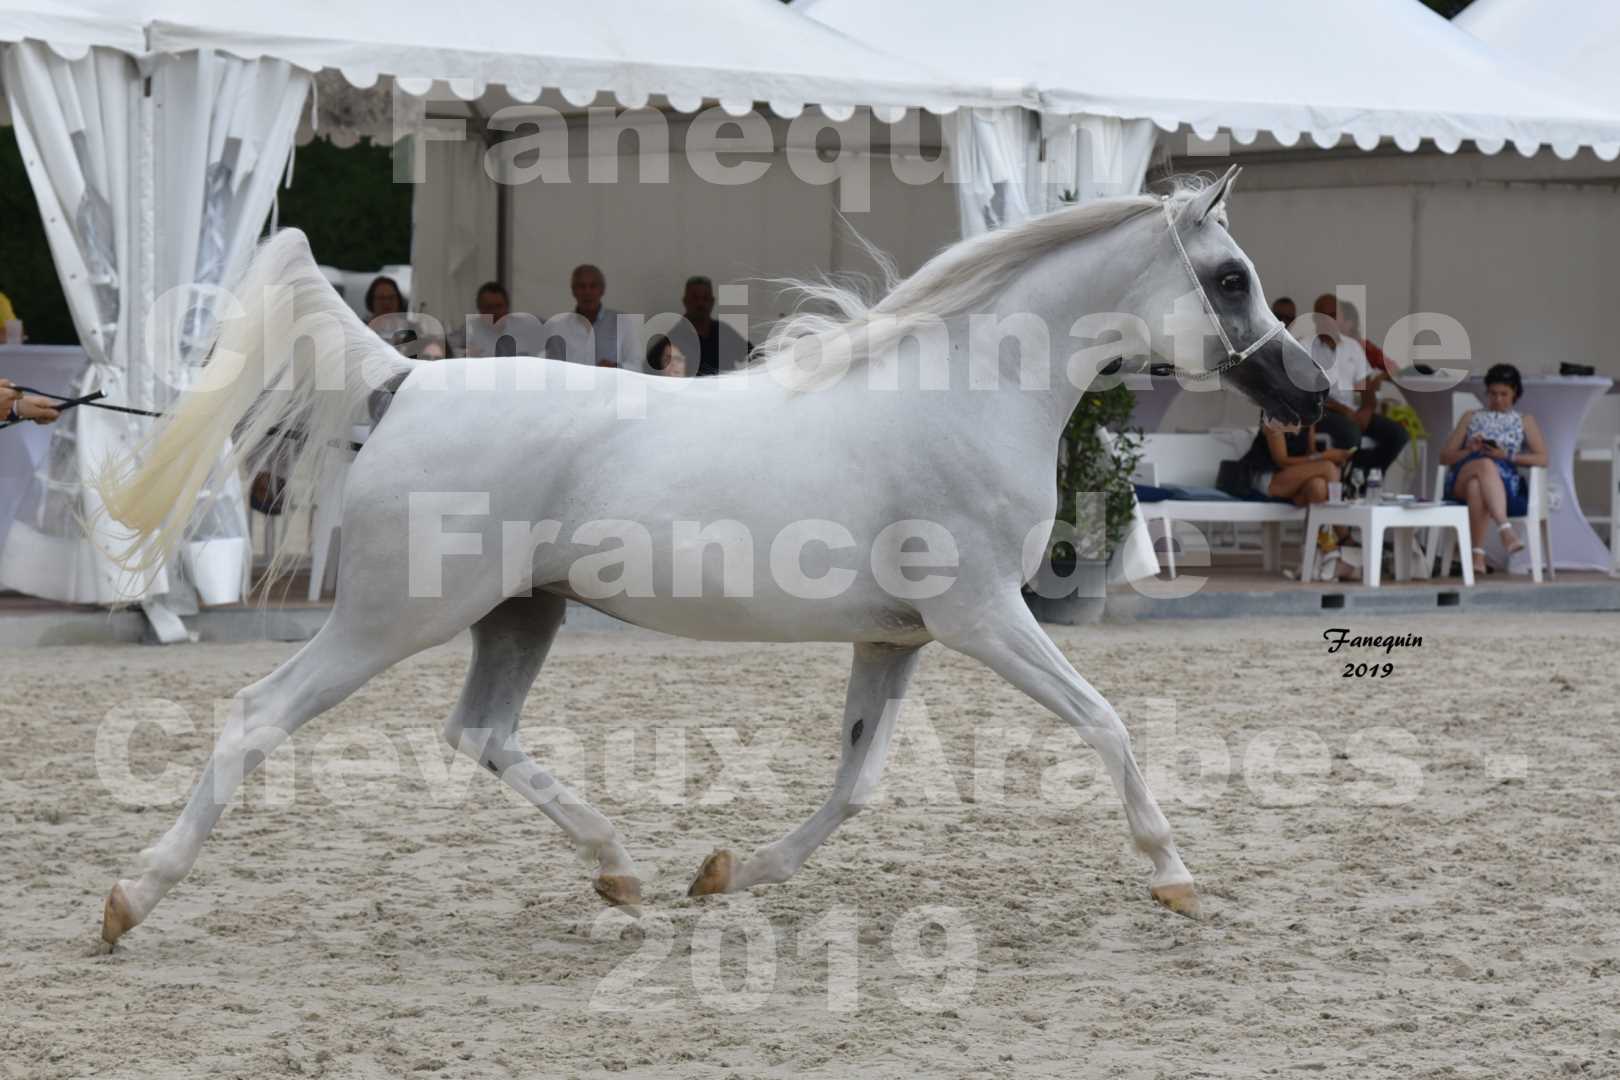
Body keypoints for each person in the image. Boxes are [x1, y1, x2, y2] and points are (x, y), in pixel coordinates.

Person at [1437, 363, 1548, 576]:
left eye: (1504, 394)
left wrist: (1506, 456)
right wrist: (1470, 450)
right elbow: (1445, 456)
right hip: (1463, 474)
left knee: (1477, 486)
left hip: (1502, 485)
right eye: (1493, 394)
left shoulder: (1524, 420)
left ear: (1515, 392)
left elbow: (1543, 459)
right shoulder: (1471, 416)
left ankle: (1477, 556)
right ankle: (1505, 529)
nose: (1497, 399)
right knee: (1483, 465)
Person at [1238, 420, 1355, 580]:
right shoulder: (1274, 417)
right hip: (1268, 477)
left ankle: (1311, 562)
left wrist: (1325, 458)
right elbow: (1282, 460)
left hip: (1294, 478)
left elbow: (1310, 454)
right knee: (1327, 468)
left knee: (1318, 487)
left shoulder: (1308, 419)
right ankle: (1342, 540)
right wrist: (1324, 456)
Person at [1309, 293, 1407, 480]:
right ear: (1316, 319)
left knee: (1398, 435)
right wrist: (1345, 411)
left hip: (1353, 412)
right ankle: (1350, 482)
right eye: (1325, 315)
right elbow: (1313, 395)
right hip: (1323, 413)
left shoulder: (1353, 346)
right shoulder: (1305, 348)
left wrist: (1367, 409)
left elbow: (1366, 385)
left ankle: (1367, 479)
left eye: (1334, 314)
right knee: (1351, 435)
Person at [547, 264, 635, 368]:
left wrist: (615, 368)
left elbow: (637, 365)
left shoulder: (622, 322)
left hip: (611, 383)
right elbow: (552, 369)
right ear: (573, 291)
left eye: (593, 286)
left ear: (602, 290)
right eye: (581, 286)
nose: (587, 292)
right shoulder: (559, 328)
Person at [681, 275, 752, 376]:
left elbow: (755, 355)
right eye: (695, 298)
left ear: (712, 301)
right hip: (691, 391)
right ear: (685, 301)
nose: (700, 304)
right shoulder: (674, 338)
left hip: (726, 391)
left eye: (705, 298)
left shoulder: (724, 332)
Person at [1336, 299, 1390, 373]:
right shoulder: (1325, 348)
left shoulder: (1366, 348)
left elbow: (1394, 370)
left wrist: (1379, 379)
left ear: (1349, 322)